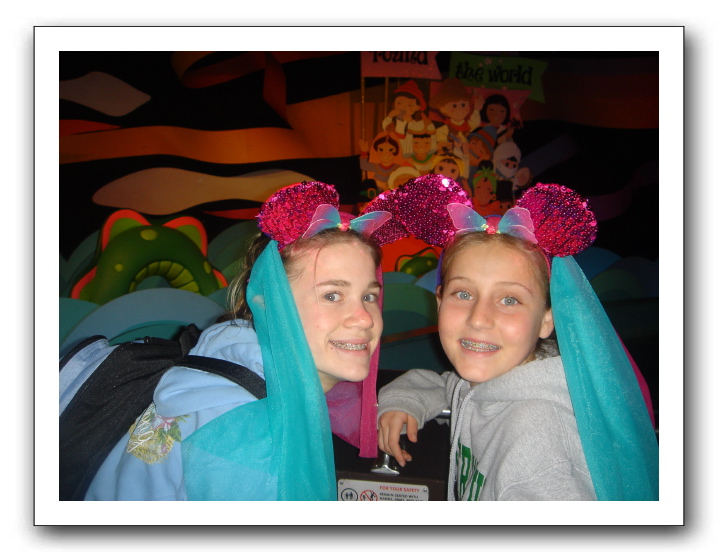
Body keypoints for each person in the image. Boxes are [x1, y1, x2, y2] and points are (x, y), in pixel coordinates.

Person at [82, 181, 404, 500]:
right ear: (268, 301)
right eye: (332, 295)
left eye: (369, 296)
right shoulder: (253, 436)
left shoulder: (236, 358)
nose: (364, 318)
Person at [377, 176, 658, 501]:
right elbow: (447, 385)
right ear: (439, 301)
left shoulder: (537, 439)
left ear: (547, 319)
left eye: (509, 299)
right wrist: (405, 402)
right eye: (464, 294)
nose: (479, 318)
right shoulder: (500, 378)